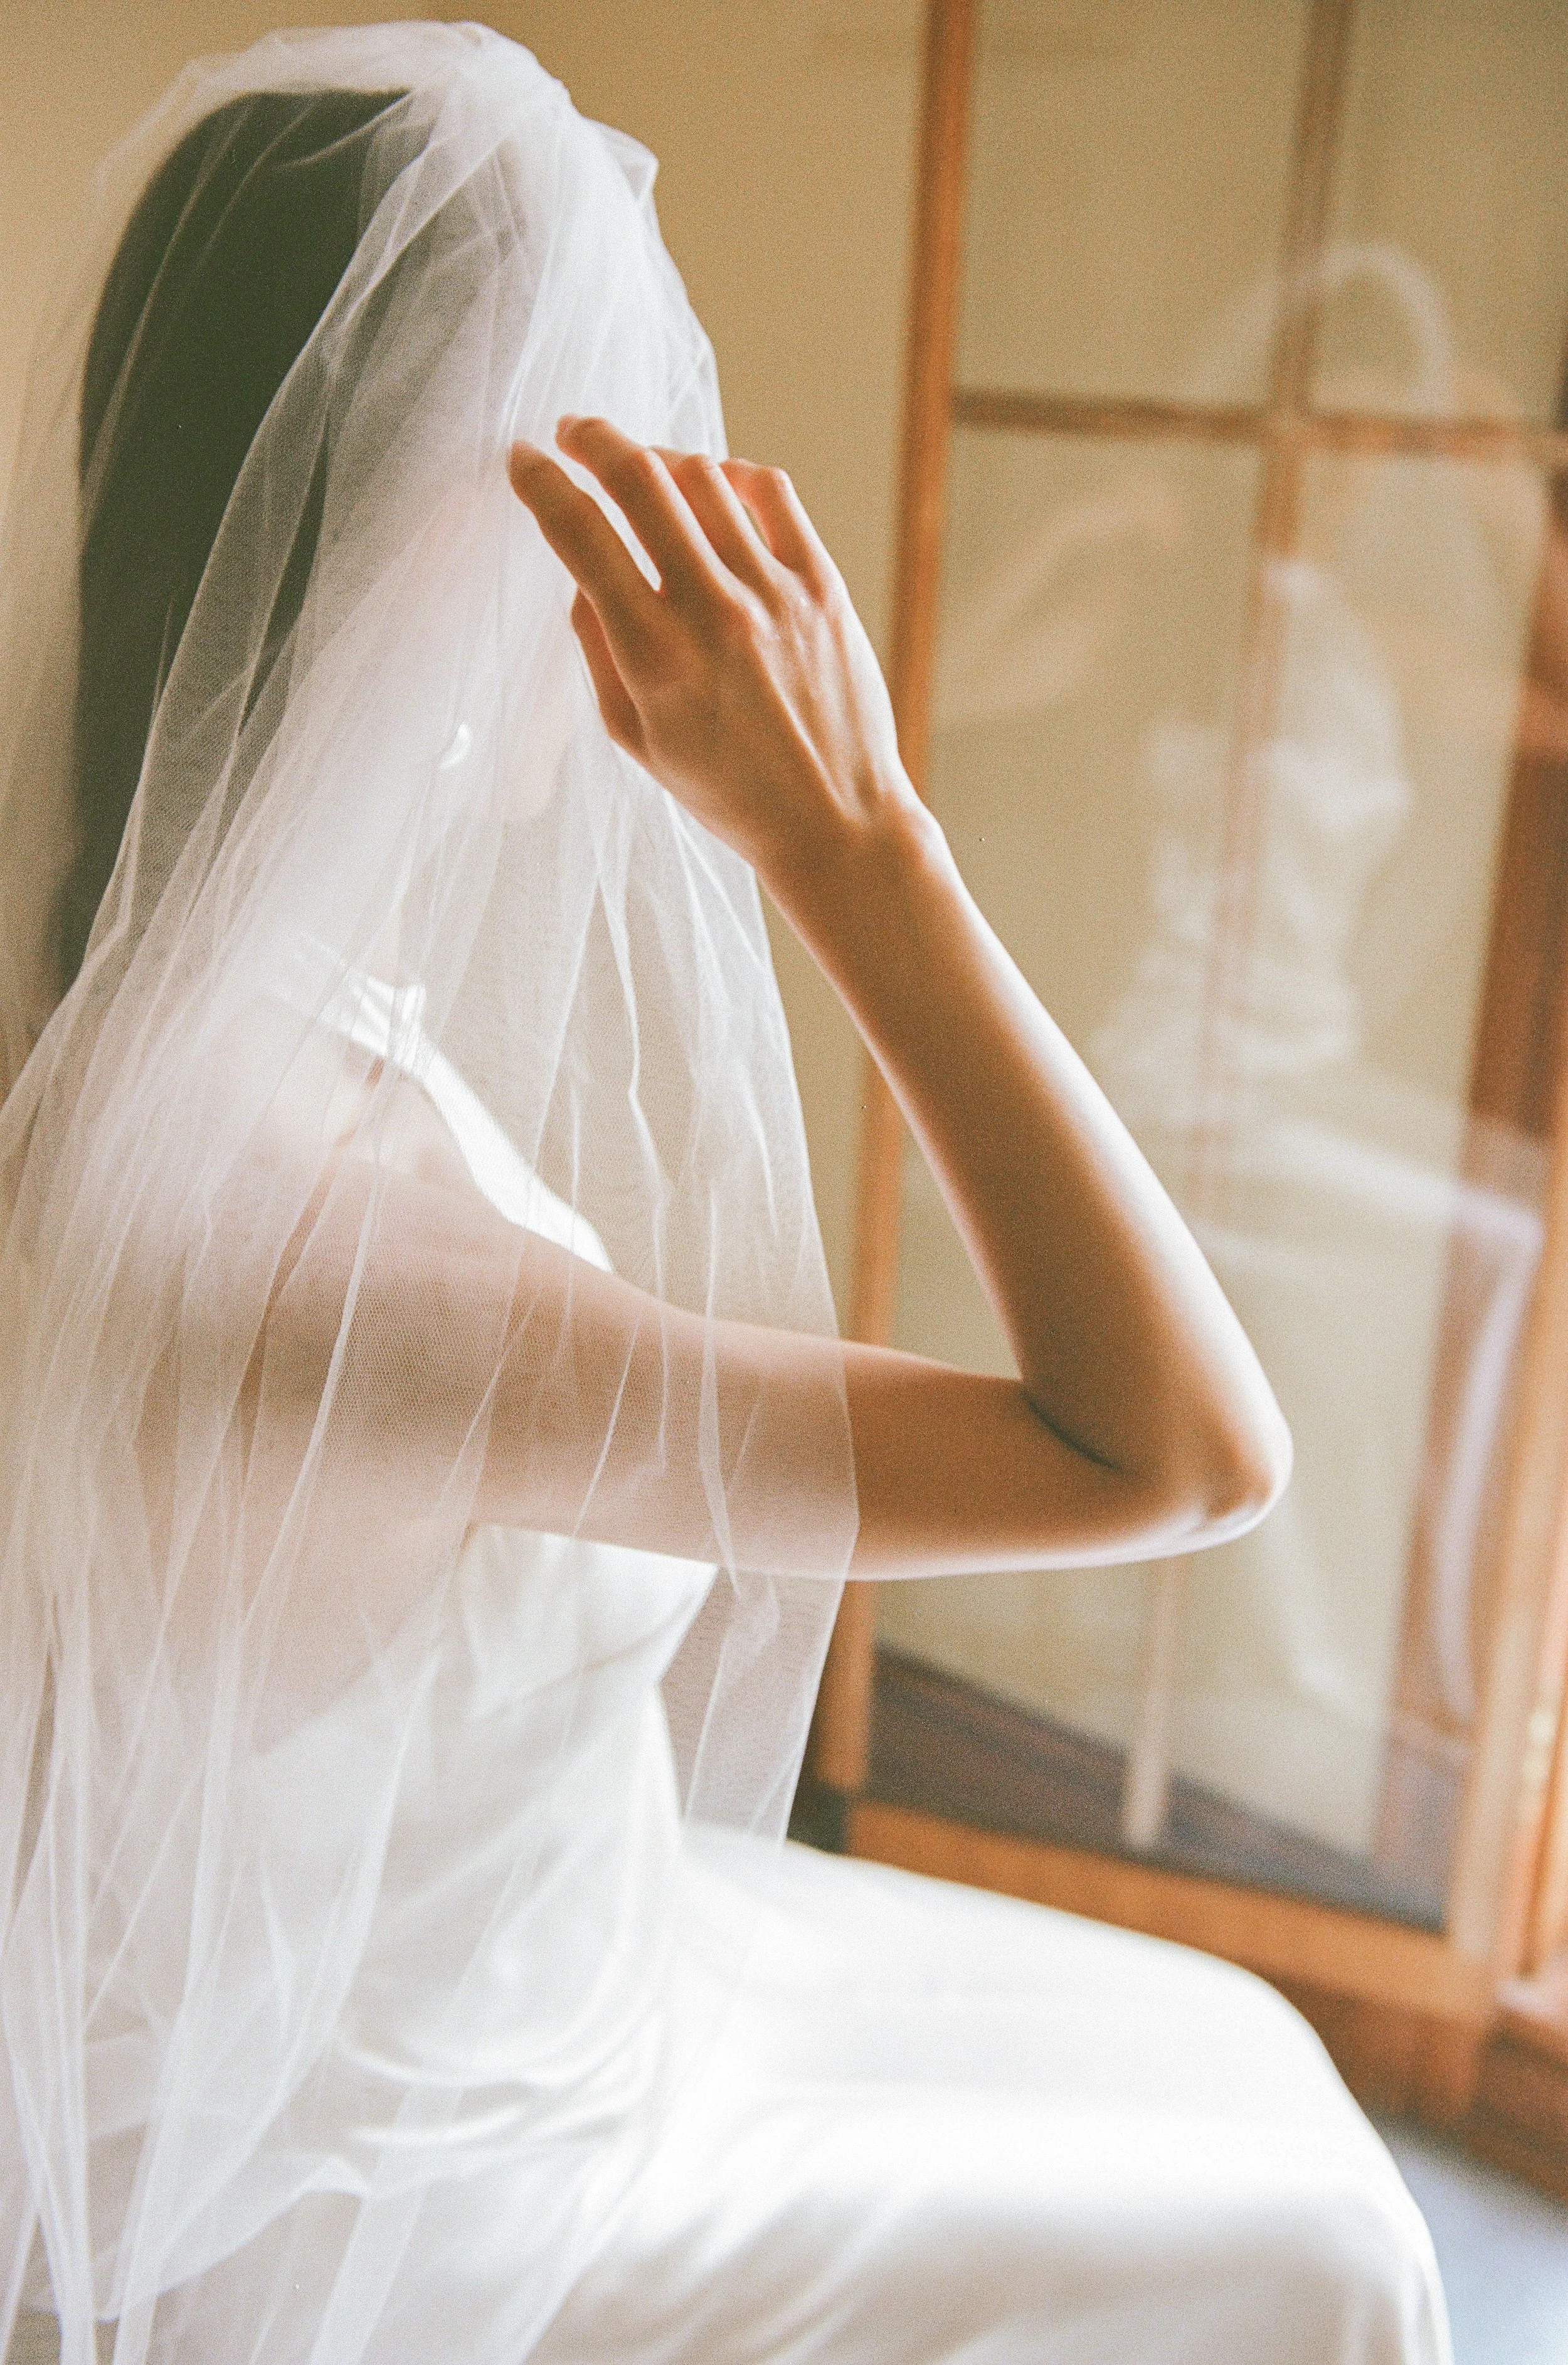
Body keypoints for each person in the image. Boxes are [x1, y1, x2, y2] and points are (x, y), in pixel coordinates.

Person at [0, 24, 1447, 2365]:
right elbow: (1178, 1449)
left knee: (1222, 2054)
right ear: (430, 548)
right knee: (1321, 2222)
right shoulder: (335, 1270)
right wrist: (860, 852)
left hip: (435, 1955)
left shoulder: (115, 998)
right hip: (441, 2165)